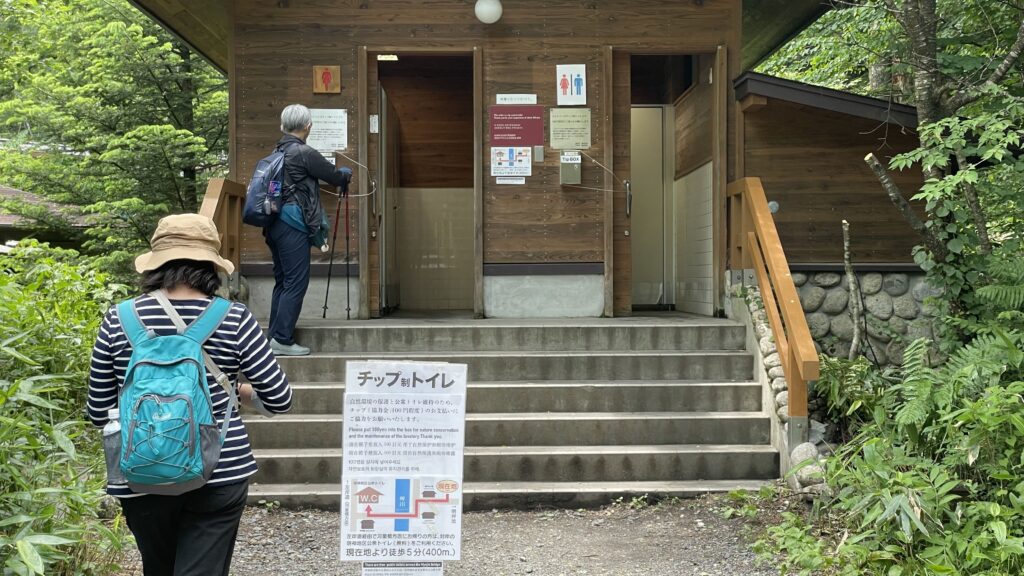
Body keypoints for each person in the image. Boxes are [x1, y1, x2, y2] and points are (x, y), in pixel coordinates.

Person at [87, 213, 292, 576]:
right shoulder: (235, 318)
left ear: (155, 264)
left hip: (140, 469)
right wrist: (236, 389)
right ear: (211, 265)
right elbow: (278, 399)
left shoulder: (118, 318)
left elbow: (98, 409)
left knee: (159, 568)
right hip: (219, 471)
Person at [266, 103, 353, 356]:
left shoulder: (276, 152)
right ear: (308, 126)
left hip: (273, 223)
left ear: (282, 126)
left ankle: (274, 336)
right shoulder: (304, 152)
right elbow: (334, 176)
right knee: (296, 282)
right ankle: (282, 339)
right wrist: (345, 173)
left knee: (283, 281)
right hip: (293, 223)